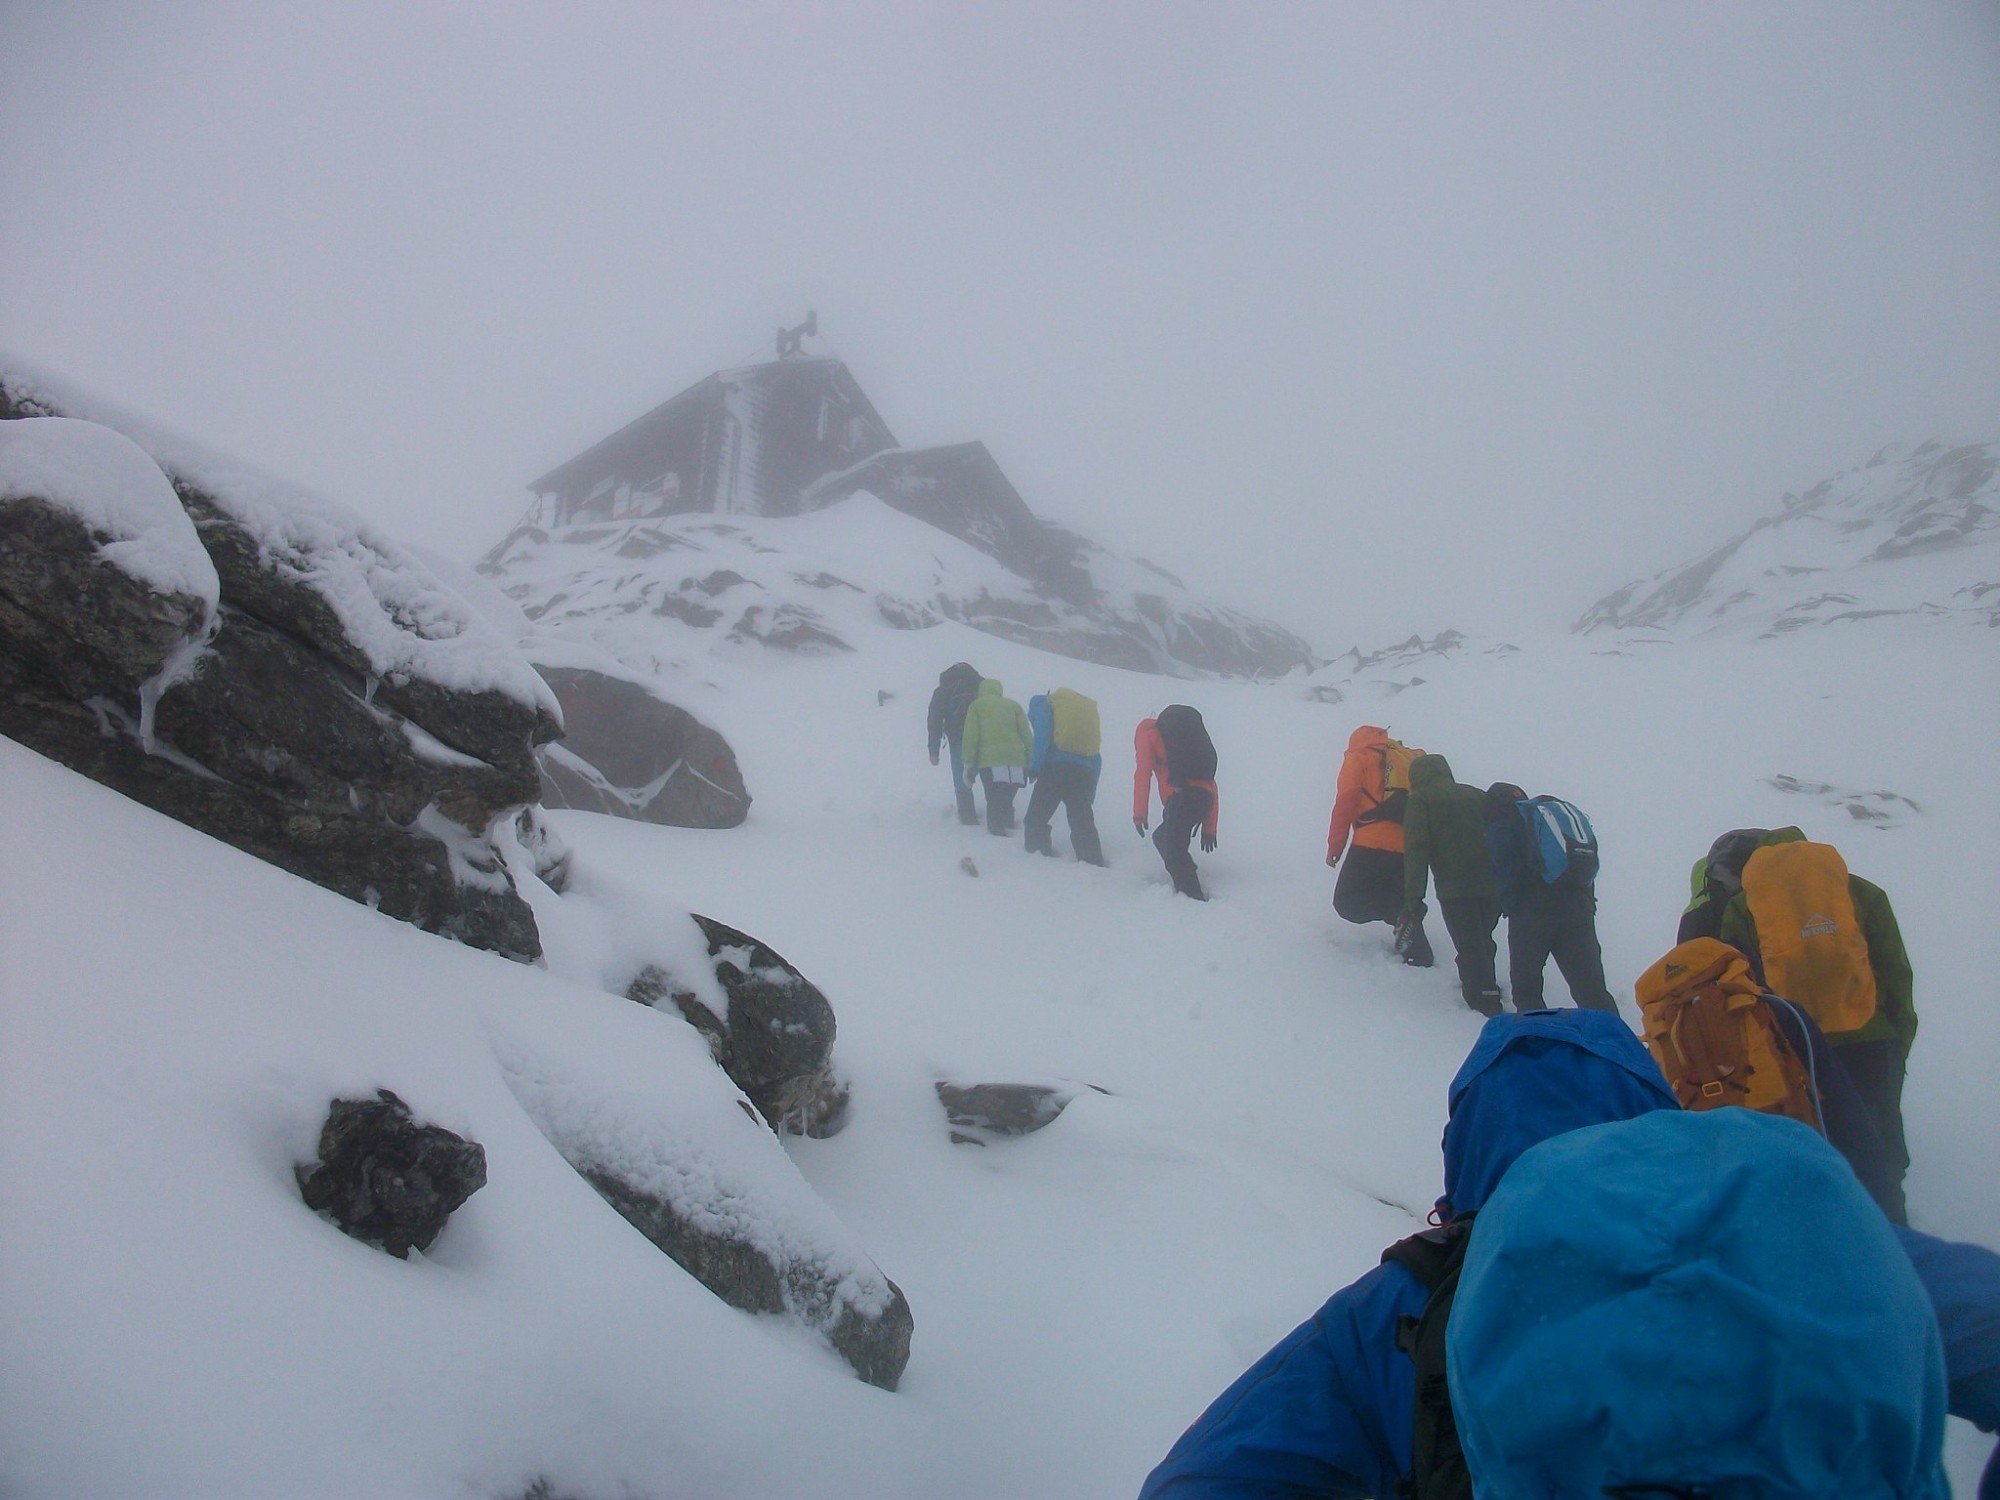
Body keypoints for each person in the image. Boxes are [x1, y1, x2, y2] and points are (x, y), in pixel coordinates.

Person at [1136, 1008, 2000, 1500]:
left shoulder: (1416, 1294)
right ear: (1648, 1101)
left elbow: (1205, 1483)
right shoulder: (1813, 1222)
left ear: (1466, 1141)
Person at [1635, 935, 1906, 1221]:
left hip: (1719, 1197)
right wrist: (1887, 1212)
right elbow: (1845, 1112)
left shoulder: (1660, 1039)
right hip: (1800, 1173)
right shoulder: (1779, 1012)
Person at [1716, 826, 1918, 1204]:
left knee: (1814, 1141)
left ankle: (1830, 1229)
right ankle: (1894, 1233)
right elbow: (1895, 971)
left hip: (1795, 1039)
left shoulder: (1744, 904)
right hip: (1869, 1034)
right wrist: (1898, 1037)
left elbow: (1743, 983)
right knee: (1880, 1146)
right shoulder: (1860, 891)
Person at [1483, 782, 1617, 1013]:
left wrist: (1510, 906)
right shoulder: (1546, 818)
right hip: (1578, 907)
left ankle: (1537, 1042)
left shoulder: (1505, 820)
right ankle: (1615, 1044)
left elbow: (1504, 867)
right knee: (1591, 988)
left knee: (1527, 989)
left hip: (1532, 909)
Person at [1400, 754, 1501, 1015]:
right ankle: (1488, 988)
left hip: (1456, 888)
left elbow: (1417, 850)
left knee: (1469, 944)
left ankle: (1483, 1005)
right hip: (1493, 885)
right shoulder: (1476, 795)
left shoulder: (1421, 800)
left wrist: (1413, 898)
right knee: (1483, 939)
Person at [1326, 727, 1428, 961]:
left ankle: (1401, 916)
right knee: (1399, 899)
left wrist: (1336, 845)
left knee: (1347, 902)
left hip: (1370, 841)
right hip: (1407, 846)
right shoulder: (1406, 756)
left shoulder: (1360, 755)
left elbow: (1346, 801)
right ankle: (1420, 957)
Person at [1134, 706, 1218, 901]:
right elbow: (1210, 785)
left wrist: (1139, 814)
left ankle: (1193, 900)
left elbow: (1143, 774)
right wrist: (1209, 828)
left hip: (1181, 798)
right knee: (1162, 837)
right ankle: (1186, 872)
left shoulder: (1148, 736)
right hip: (1202, 800)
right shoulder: (1189, 750)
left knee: (1174, 854)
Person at [1024, 687, 1105, 865]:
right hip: (1083, 771)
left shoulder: (1041, 705)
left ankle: (1036, 859)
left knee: (1036, 816)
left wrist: (1034, 767)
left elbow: (1042, 736)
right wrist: (1090, 791)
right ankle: (1092, 862)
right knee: (1082, 819)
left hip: (1056, 768)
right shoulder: (1083, 714)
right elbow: (1096, 756)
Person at [958, 679, 1031, 836]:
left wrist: (968, 763)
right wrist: (1031, 761)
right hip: (1017, 762)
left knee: (993, 798)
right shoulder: (1014, 706)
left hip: (991, 762)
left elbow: (971, 737)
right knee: (1007, 796)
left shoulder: (977, 706)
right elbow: (1027, 736)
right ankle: (1009, 824)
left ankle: (997, 834)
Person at [926, 662, 985, 825]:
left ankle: (967, 816)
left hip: (958, 736)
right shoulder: (980, 686)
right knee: (990, 774)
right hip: (984, 737)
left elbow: (935, 720)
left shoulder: (943, 690)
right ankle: (1002, 815)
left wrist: (934, 751)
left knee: (961, 777)